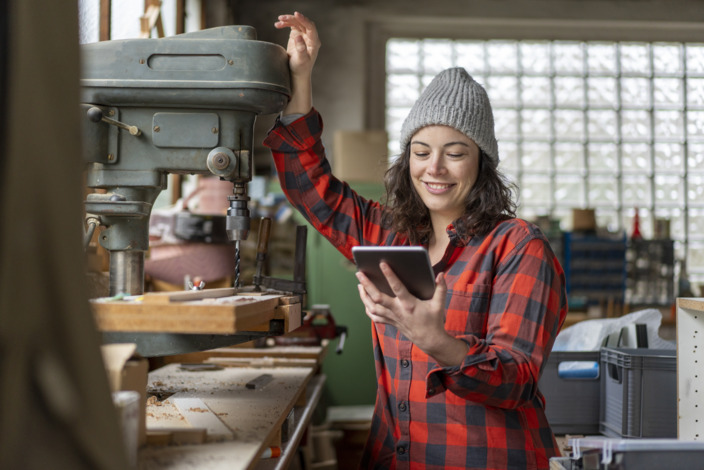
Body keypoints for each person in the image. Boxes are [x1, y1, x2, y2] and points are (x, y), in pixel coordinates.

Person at [265, 12, 568, 470]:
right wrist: (301, 78)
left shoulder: (518, 247)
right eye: (422, 152)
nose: (435, 169)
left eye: (456, 153)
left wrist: (435, 339)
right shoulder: (390, 234)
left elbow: (515, 380)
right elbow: (313, 190)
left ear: (482, 164)